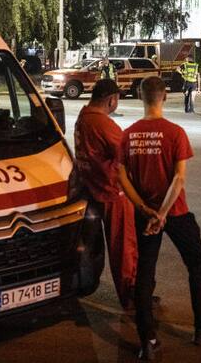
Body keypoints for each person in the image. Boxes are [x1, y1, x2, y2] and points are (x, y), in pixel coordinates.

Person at [118, 77, 201, 359]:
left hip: (145, 215)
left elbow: (121, 176)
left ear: (141, 97)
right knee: (196, 264)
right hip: (175, 212)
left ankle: (147, 340)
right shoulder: (175, 133)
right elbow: (178, 179)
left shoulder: (128, 135)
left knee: (145, 273)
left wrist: (144, 208)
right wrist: (163, 214)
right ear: (164, 97)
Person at [74, 79, 138, 310]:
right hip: (112, 191)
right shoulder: (102, 123)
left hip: (92, 188)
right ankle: (131, 297)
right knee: (124, 247)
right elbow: (126, 152)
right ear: (111, 100)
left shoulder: (83, 117)